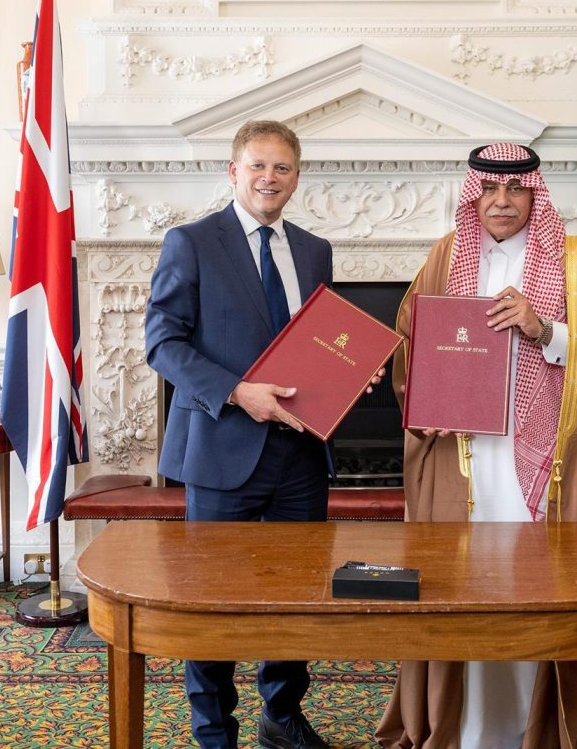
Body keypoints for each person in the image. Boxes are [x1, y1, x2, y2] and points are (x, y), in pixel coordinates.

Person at [377, 142, 577, 749]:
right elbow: (409, 348)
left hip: (548, 460)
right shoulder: (446, 255)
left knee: (536, 585)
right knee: (466, 583)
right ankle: (470, 727)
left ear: (535, 193)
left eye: (516, 189)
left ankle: (540, 726)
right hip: (465, 459)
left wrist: (542, 327)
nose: (501, 201)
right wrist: (427, 408)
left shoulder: (576, 260)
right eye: (489, 189)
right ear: (474, 193)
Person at [144, 120, 337, 749]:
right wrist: (236, 391)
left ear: (297, 177)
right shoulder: (192, 242)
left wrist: (348, 377)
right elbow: (162, 343)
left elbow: (321, 345)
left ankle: (281, 715)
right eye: (257, 165)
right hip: (222, 449)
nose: (269, 178)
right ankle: (214, 732)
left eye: (282, 168)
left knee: (296, 597)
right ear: (233, 171)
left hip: (301, 454)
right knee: (212, 602)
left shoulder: (314, 250)